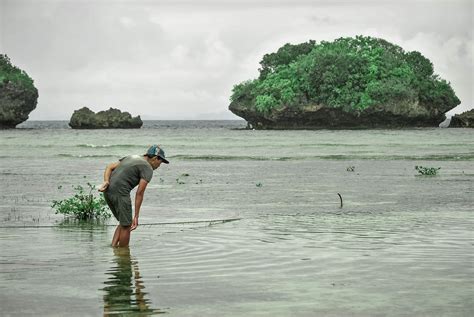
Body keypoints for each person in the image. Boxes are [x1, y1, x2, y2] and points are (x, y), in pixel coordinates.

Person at [99, 145, 169, 247]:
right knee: (127, 225)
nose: (159, 165)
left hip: (107, 191)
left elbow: (109, 167)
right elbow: (139, 193)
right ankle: (123, 254)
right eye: (160, 162)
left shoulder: (131, 157)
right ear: (155, 158)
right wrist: (136, 216)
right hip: (120, 193)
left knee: (123, 222)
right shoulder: (148, 168)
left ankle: (114, 247)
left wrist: (106, 181)